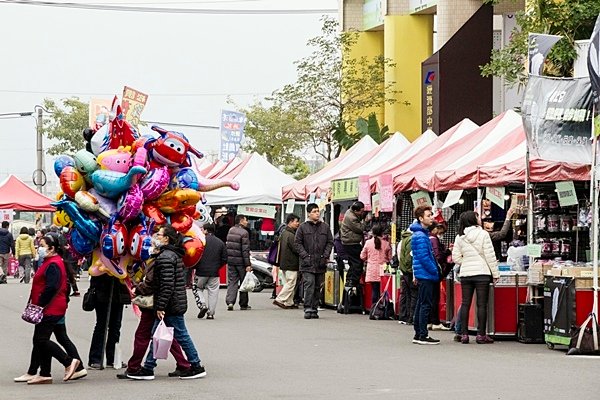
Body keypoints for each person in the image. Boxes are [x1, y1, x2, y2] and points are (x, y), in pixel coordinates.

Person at [127, 225, 206, 380]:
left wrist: (161, 306)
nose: (156, 236)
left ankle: (195, 365)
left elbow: (166, 285)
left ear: (166, 238)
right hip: (173, 302)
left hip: (171, 304)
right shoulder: (171, 255)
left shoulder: (165, 257)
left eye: (159, 234)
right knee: (158, 335)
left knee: (181, 336)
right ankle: (149, 367)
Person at [117, 240, 191, 379]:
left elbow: (154, 283)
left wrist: (138, 288)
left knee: (144, 335)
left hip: (154, 303)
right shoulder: (169, 257)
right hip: (161, 302)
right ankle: (184, 364)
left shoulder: (160, 260)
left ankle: (136, 367)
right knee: (166, 334)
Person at [16, 233, 81, 384]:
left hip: (50, 308)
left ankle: (68, 361)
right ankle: (44, 373)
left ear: (52, 249)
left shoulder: (53, 263)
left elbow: (52, 287)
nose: (39, 249)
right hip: (50, 307)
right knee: (41, 339)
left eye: (42, 246)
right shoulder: (50, 261)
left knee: (41, 340)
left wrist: (39, 304)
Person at [452, 211, 499, 344]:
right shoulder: (483, 234)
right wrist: (495, 274)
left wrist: (466, 262)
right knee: (481, 304)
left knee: (466, 303)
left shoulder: (460, 237)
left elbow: (455, 257)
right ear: (473, 219)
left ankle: (464, 334)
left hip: (466, 274)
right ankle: (481, 335)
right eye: (477, 216)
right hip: (482, 273)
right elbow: (490, 256)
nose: (480, 218)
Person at [294, 203, 333, 319]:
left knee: (317, 287)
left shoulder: (325, 227)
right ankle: (308, 307)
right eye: (315, 211)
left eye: (318, 211)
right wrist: (305, 256)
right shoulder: (302, 227)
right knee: (309, 285)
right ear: (309, 213)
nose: (317, 213)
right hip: (307, 263)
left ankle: (314, 308)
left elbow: (330, 242)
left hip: (320, 263)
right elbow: (297, 243)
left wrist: (325, 256)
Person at [410, 205, 441, 345]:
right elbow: (424, 257)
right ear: (421, 218)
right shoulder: (421, 236)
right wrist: (434, 270)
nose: (431, 218)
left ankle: (419, 333)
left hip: (422, 273)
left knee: (421, 304)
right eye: (428, 215)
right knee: (425, 304)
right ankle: (422, 334)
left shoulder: (419, 234)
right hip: (426, 274)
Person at [87, 273, 131, 369]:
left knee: (115, 327)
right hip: (102, 293)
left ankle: (112, 358)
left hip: (119, 293)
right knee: (101, 326)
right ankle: (95, 358)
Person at [193, 223, 227, 319]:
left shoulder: (200, 242)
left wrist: (195, 266)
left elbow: (195, 256)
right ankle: (211, 313)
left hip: (201, 271)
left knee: (197, 288)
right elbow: (224, 258)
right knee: (213, 292)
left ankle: (202, 305)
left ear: (206, 230)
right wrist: (217, 266)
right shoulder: (220, 242)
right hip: (214, 272)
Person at [273, 214, 300, 309]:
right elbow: (296, 249)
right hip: (291, 263)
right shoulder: (291, 235)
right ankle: (280, 299)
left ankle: (289, 302)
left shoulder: (284, 233)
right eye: (296, 221)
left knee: (288, 282)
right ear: (290, 222)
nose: (298, 224)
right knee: (291, 283)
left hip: (284, 262)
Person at [360, 224, 392, 306]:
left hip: (372, 270)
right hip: (383, 270)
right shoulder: (386, 244)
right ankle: (382, 307)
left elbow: (362, 256)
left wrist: (368, 260)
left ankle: (374, 308)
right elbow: (390, 258)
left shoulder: (368, 243)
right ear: (382, 233)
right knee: (383, 290)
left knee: (374, 289)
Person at [225, 214, 252, 311]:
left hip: (231, 261)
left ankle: (230, 302)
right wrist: (248, 264)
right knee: (244, 282)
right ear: (241, 221)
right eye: (245, 220)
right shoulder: (244, 233)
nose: (247, 222)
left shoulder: (231, 230)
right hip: (241, 262)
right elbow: (245, 250)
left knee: (232, 281)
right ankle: (243, 304)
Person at [427, 221, 451, 331]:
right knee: (434, 297)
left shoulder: (427, 238)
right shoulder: (433, 239)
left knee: (429, 298)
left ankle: (430, 321)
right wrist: (447, 252)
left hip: (428, 272)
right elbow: (438, 256)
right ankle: (435, 321)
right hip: (434, 271)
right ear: (436, 229)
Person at [340, 201, 369, 288]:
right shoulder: (351, 218)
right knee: (357, 263)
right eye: (361, 211)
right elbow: (360, 229)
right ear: (356, 211)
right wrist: (366, 221)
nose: (362, 213)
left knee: (353, 263)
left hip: (349, 242)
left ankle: (350, 280)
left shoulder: (350, 212)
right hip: (351, 242)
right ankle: (353, 281)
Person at [397, 226, 417, 325]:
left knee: (405, 294)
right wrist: (410, 271)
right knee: (413, 294)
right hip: (409, 272)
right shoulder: (410, 240)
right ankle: (411, 317)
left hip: (403, 271)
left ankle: (404, 316)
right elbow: (410, 258)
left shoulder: (403, 240)